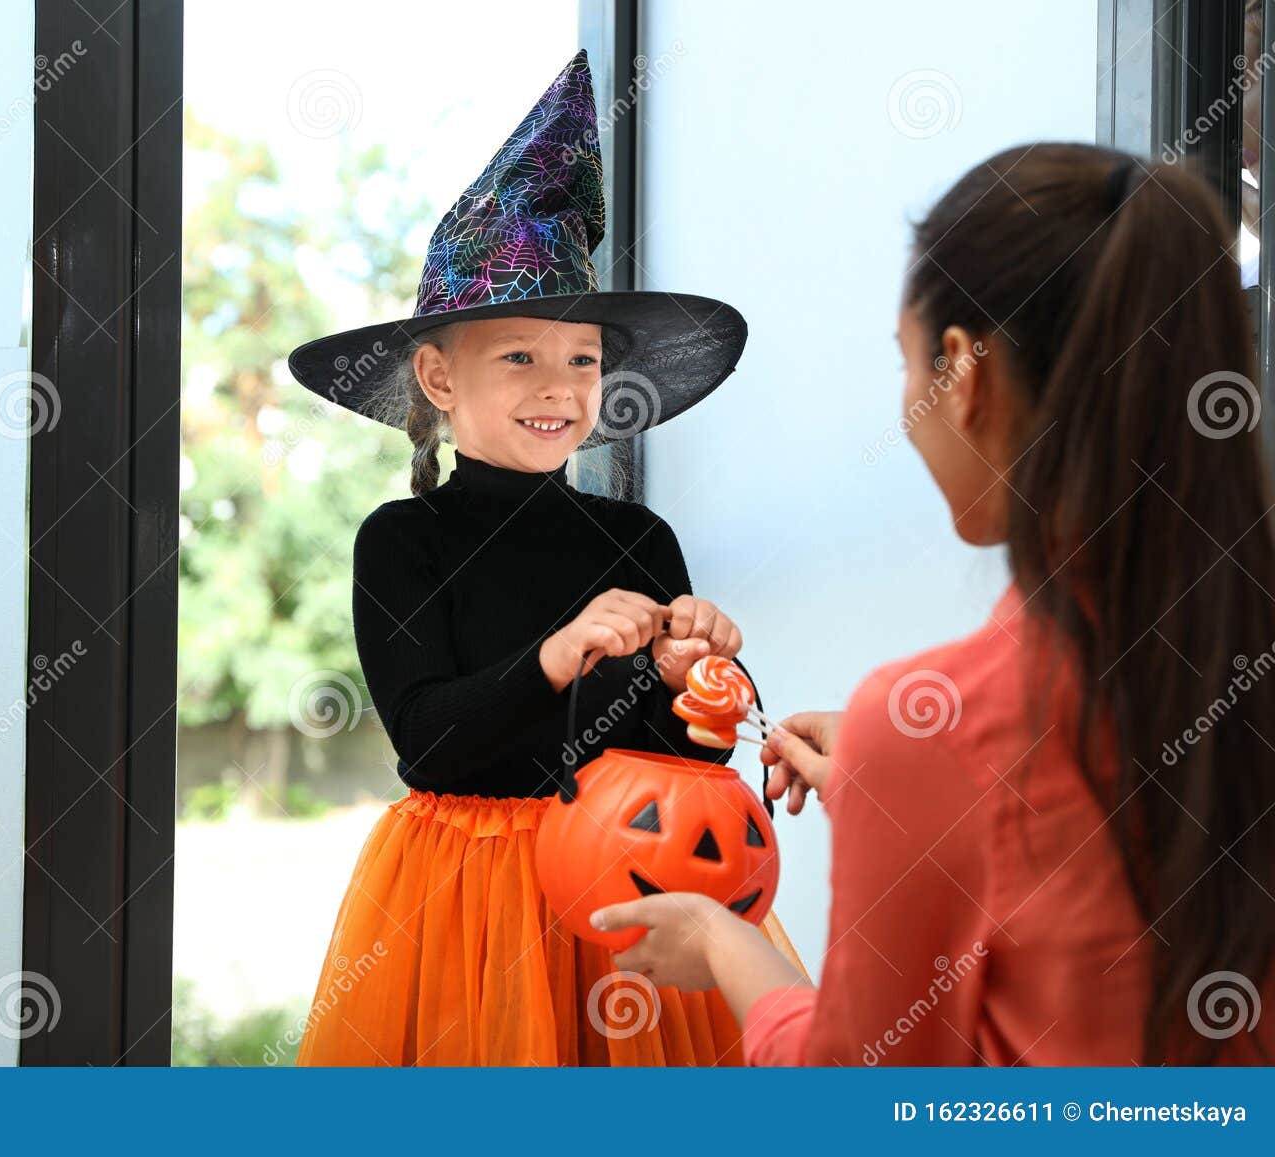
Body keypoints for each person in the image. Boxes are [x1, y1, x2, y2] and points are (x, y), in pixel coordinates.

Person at [594, 142, 1275, 1066]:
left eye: (906, 364)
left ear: (965, 373)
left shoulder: (932, 728)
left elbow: (860, 1097)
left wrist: (727, 945)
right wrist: (898, 793)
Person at [285, 51, 799, 1066]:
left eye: (581, 359)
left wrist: (695, 684)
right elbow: (431, 742)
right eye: (518, 354)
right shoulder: (403, 539)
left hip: (624, 891)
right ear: (437, 373)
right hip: (463, 907)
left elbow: (684, 768)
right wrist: (556, 656)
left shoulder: (638, 540)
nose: (556, 384)